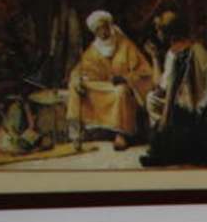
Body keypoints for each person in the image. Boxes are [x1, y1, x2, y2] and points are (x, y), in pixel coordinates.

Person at [141, 10, 207, 167]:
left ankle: (165, 147)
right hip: (202, 105)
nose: (157, 34)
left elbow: (163, 87)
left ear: (168, 33)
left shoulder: (175, 54)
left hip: (186, 108)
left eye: (159, 30)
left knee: (152, 99)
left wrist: (154, 57)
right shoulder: (198, 48)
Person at [65, 11, 155, 150]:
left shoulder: (125, 45)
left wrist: (126, 78)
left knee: (120, 91)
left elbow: (144, 72)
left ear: (110, 26)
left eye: (104, 28)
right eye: (98, 30)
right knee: (75, 85)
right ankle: (76, 134)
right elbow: (80, 70)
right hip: (104, 87)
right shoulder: (93, 50)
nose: (102, 33)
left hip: (124, 86)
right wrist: (77, 79)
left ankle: (121, 134)